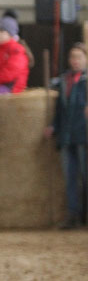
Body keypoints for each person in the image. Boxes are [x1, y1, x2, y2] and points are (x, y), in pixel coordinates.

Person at [45, 43, 88, 229]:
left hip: (84, 134)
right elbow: (60, 110)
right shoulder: (65, 81)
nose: (75, 60)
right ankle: (73, 215)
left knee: (85, 177)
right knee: (70, 177)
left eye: (79, 57)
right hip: (66, 136)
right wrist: (53, 127)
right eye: (72, 57)